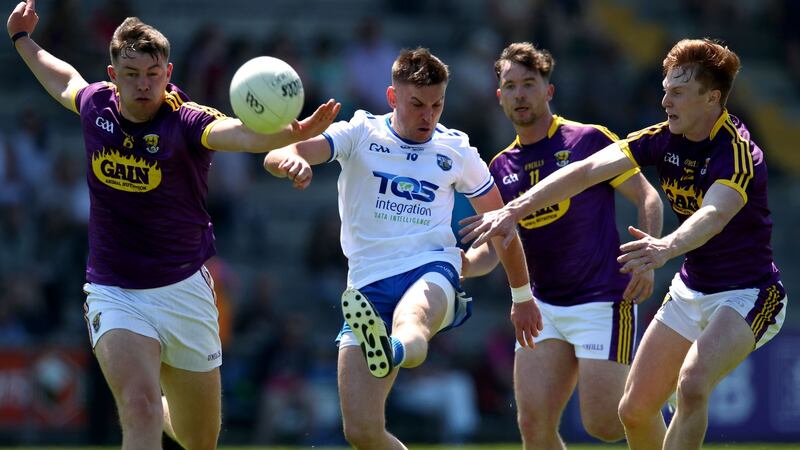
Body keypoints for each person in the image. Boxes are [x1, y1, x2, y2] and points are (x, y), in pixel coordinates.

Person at [7, 1, 340, 449]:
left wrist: (293, 134)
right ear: (113, 75)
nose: (143, 84)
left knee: (198, 438)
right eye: (131, 74)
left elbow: (240, 134)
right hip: (114, 290)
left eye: (152, 73)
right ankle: (149, 407)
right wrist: (22, 40)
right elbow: (65, 80)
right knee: (139, 407)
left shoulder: (186, 119)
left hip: (183, 291)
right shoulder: (97, 106)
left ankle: (170, 413)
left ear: (168, 73)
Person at [460, 38, 788, 450]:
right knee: (633, 410)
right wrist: (515, 209)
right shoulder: (662, 137)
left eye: (678, 92)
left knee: (692, 384)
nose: (665, 101)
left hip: (748, 292)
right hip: (690, 290)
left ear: (712, 98)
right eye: (665, 90)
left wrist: (664, 247)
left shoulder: (738, 152)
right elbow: (586, 172)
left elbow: (713, 215)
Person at [264, 47, 543, 449]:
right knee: (361, 431)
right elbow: (282, 151)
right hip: (366, 288)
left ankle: (391, 347)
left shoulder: (456, 150)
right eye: (417, 105)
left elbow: (502, 226)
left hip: (431, 270)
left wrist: (520, 295)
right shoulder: (360, 132)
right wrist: (291, 162)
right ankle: (385, 342)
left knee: (411, 320)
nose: (428, 116)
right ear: (393, 97)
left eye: (437, 105)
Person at [461, 42, 663, 449]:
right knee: (533, 425)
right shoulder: (499, 166)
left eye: (529, 84)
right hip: (541, 308)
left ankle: (661, 415)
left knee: (605, 424)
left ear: (549, 90)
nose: (520, 94)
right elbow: (493, 252)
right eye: (510, 86)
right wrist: (455, 264)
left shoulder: (588, 140)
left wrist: (647, 260)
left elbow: (648, 197)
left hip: (602, 300)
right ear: (499, 96)